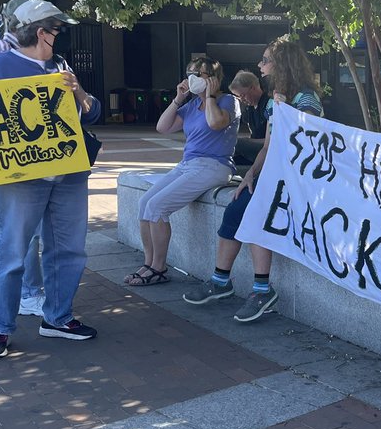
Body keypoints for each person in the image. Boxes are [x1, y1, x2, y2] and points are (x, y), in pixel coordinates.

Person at [0, 0, 102, 359]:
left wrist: (76, 90)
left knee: (69, 249)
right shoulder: (2, 64)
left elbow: (91, 112)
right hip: (21, 177)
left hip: (69, 174)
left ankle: (58, 317)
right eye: (55, 29)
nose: (58, 36)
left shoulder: (61, 66)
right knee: (12, 252)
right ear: (39, 31)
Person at [183, 37, 323, 322]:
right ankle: (220, 280)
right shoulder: (275, 101)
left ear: (282, 64)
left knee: (256, 215)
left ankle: (262, 289)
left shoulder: (306, 99)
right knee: (235, 209)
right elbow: (269, 147)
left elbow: (305, 140)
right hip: (273, 176)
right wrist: (249, 174)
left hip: (298, 180)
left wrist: (286, 111)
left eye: (266, 60)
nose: (260, 66)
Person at [125, 56, 240, 286]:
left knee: (158, 207)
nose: (192, 78)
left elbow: (216, 123)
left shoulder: (228, 101)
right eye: (190, 73)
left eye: (199, 74)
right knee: (145, 203)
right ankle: (149, 263)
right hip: (188, 164)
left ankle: (158, 267)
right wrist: (178, 100)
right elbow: (163, 127)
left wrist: (209, 96)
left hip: (214, 165)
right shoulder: (189, 106)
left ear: (214, 79)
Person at [0, 0, 46, 318]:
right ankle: (26, 294)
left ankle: (24, 294)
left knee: (17, 234)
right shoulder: (4, 55)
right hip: (16, 160)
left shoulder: (3, 51)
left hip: (22, 158)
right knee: (17, 236)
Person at [229, 69, 272, 168]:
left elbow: (271, 140)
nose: (242, 99)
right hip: (256, 147)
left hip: (268, 147)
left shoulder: (268, 104)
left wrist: (247, 142)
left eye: (243, 95)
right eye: (239, 97)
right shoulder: (250, 108)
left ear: (253, 88)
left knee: (237, 143)